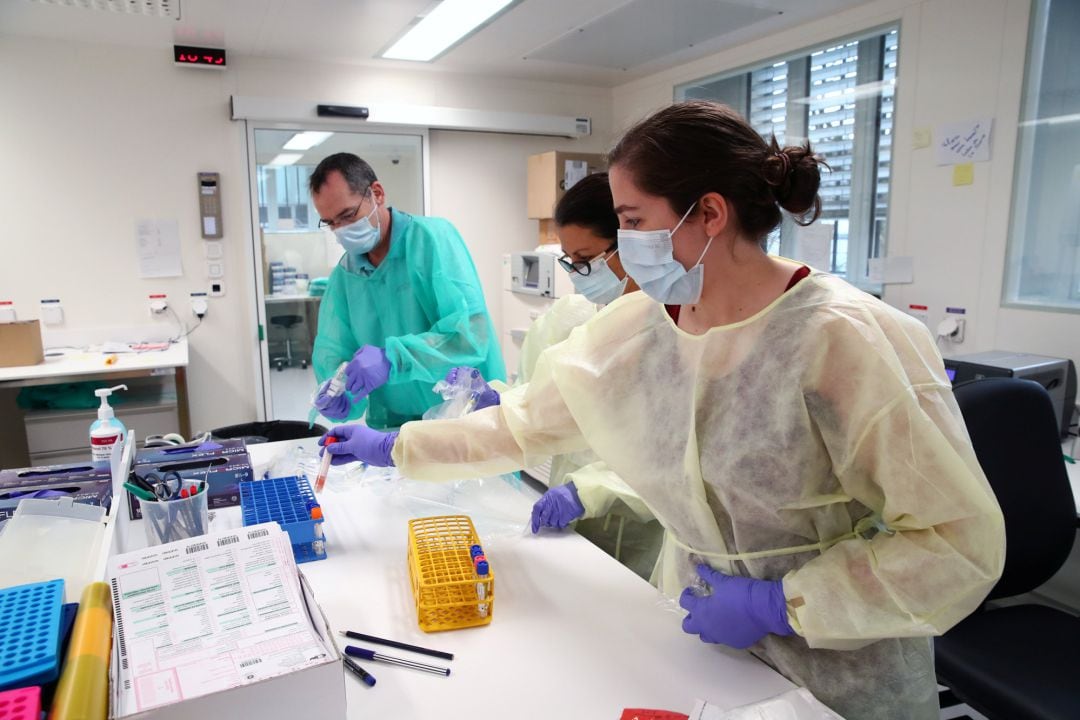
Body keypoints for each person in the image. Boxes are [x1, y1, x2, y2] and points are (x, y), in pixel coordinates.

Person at [320, 102, 1005, 719]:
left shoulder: (849, 339)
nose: (625, 247)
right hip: (702, 646)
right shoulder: (644, 329)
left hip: (843, 672)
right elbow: (526, 423)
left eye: (632, 221)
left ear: (709, 213)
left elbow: (956, 542)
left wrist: (785, 605)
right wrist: (398, 446)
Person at [448, 173, 664, 581]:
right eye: (571, 262)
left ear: (632, 243)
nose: (579, 275)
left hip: (643, 535)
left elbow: (672, 460)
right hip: (574, 527)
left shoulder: (676, 329)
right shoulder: (573, 316)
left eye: (587, 260)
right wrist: (499, 400)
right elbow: (533, 397)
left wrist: (592, 490)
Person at [308, 152, 505, 429]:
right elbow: (335, 351)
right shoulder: (345, 276)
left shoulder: (431, 240)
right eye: (331, 223)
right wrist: (339, 391)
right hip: (396, 425)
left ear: (377, 193)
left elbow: (469, 337)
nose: (341, 230)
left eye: (348, 215)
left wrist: (393, 358)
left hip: (464, 418)